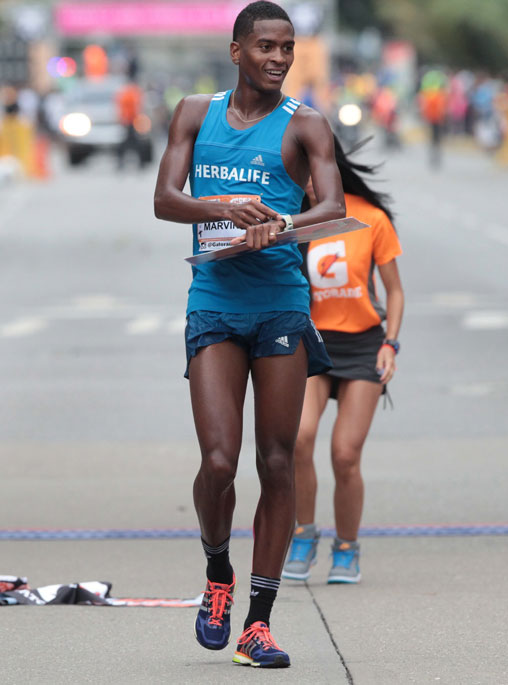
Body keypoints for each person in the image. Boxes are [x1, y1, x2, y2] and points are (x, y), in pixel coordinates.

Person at [154, 0, 345, 669]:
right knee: (218, 462)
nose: (277, 59)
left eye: (287, 48)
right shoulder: (192, 114)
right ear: (236, 50)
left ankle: (258, 625)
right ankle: (217, 573)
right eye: (265, 46)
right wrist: (222, 208)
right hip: (215, 300)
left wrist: (282, 225)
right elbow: (163, 200)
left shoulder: (307, 125)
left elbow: (333, 206)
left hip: (280, 305)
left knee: (277, 457)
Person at [282, 136, 404, 584]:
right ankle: (303, 533)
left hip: (363, 346)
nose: (309, 182)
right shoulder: (295, 220)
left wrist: (391, 343)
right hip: (312, 342)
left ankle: (347, 546)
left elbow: (394, 291)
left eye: (316, 170)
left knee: (344, 454)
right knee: (298, 440)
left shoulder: (370, 218)